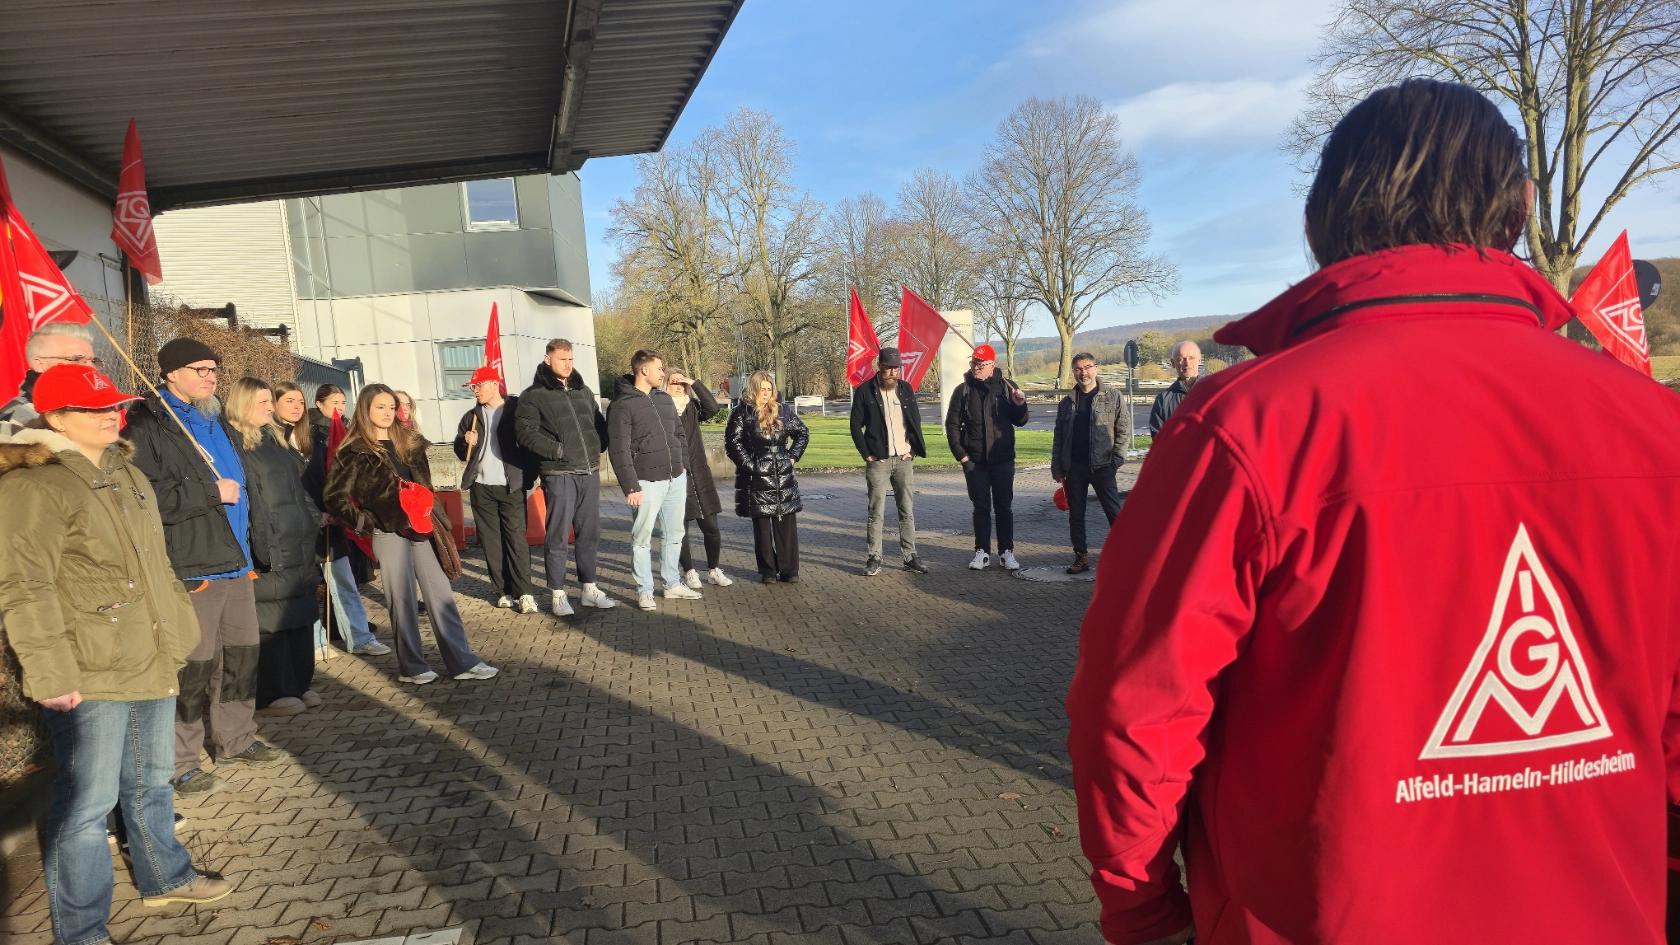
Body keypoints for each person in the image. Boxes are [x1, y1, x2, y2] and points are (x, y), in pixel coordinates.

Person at [1067, 78, 1680, 945]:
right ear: (1518, 211)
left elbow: (1137, 707)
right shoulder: (1659, 430)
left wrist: (1141, 905)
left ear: (1320, 226)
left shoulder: (1245, 427)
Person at [0, 365, 234, 941]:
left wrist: (176, 623)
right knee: (85, 806)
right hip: (90, 667)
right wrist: (49, 671)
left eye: (113, 404)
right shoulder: (34, 486)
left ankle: (164, 876)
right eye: (93, 407)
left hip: (148, 654)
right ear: (55, 418)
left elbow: (154, 562)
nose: (111, 414)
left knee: (153, 780)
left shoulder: (125, 471)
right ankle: (80, 932)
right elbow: (25, 585)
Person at [123, 338, 287, 798]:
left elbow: (245, 484)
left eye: (213, 368)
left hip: (236, 562)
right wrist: (211, 494)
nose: (210, 376)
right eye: (199, 369)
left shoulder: (215, 419)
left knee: (240, 656)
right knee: (193, 667)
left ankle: (236, 739)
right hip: (193, 563)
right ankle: (181, 762)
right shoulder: (148, 422)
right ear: (171, 373)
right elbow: (146, 496)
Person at [323, 384, 497, 685]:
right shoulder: (353, 450)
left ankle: (462, 661)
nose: (388, 412)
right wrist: (366, 522)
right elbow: (334, 497)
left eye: (391, 407)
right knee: (400, 599)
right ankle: (413, 667)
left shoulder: (410, 442)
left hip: (422, 528)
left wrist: (435, 517)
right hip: (387, 531)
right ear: (365, 409)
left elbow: (425, 485)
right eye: (380, 406)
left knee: (440, 594)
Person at [224, 378, 323, 718]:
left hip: (297, 540)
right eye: (263, 401)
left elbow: (298, 490)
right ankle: (273, 691)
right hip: (270, 543)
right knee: (272, 616)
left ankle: (299, 683)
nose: (270, 407)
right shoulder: (237, 444)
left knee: (299, 614)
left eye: (270, 400)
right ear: (243, 404)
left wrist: (311, 519)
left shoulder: (274, 439)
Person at [515, 339, 614, 615]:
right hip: (558, 473)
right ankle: (558, 594)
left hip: (589, 470)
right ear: (548, 359)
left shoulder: (584, 391)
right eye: (562, 359)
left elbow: (598, 423)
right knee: (558, 535)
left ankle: (589, 589)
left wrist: (599, 444)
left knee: (589, 533)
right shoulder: (533, 395)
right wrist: (556, 451)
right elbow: (525, 433)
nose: (568, 364)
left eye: (570, 359)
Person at [607, 350, 697, 611]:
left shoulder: (665, 400)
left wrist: (684, 467)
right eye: (659, 368)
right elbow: (619, 449)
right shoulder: (622, 404)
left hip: (675, 478)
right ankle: (644, 590)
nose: (663, 373)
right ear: (643, 370)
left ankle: (671, 584)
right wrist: (630, 485)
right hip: (645, 482)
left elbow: (679, 434)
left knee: (675, 534)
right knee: (642, 538)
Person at [303, 384, 387, 656]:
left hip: (337, 518)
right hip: (312, 520)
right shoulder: (309, 434)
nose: (340, 407)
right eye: (334, 402)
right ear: (319, 404)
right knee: (307, 586)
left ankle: (358, 636)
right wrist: (318, 512)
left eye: (342, 401)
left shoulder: (345, 430)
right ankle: (316, 641)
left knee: (345, 580)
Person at [453, 366, 540, 613]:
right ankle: (502, 591)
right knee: (491, 542)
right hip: (481, 487)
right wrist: (464, 442)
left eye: (478, 386)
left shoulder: (516, 411)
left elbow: (530, 445)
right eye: (473, 387)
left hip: (511, 485)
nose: (475, 391)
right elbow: (461, 453)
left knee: (516, 540)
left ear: (494, 384)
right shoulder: (471, 416)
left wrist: (529, 478)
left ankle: (525, 594)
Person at [944, 343, 1028, 571]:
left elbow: (1020, 421)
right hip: (975, 462)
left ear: (993, 364)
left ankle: (1006, 552)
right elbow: (951, 425)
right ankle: (981, 552)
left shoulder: (1006, 388)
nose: (976, 367)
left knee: (1004, 507)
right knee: (981, 507)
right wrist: (961, 455)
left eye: (981, 364)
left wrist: (1020, 405)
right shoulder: (963, 390)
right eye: (973, 363)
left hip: (1003, 460)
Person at [849, 347, 929, 577]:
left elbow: (915, 420)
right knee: (876, 512)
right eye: (888, 367)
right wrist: (867, 454)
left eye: (896, 368)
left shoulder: (906, 390)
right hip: (879, 462)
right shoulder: (865, 391)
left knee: (907, 511)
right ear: (879, 366)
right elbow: (855, 426)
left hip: (904, 460)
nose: (892, 372)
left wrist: (913, 450)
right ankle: (874, 557)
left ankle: (910, 556)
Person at [725, 371, 809, 584]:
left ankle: (789, 569)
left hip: (782, 475)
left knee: (785, 523)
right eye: (762, 389)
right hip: (757, 477)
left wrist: (792, 457)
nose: (766, 393)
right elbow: (733, 444)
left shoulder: (784, 410)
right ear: (754, 390)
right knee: (762, 527)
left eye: (769, 389)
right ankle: (768, 570)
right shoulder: (741, 412)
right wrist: (752, 466)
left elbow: (802, 433)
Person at [1051, 352, 1129, 574]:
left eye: (1087, 367)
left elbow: (1123, 430)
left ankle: (1124, 554)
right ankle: (1080, 557)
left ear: (1096, 368)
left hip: (1103, 466)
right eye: (1077, 369)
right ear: (1074, 372)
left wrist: (1116, 460)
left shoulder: (1113, 397)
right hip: (1074, 467)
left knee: (1114, 512)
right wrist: (1057, 466)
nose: (1082, 373)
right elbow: (1059, 436)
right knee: (1076, 515)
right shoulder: (1066, 404)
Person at [667, 369, 733, 589]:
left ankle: (713, 570)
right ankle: (689, 572)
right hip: (675, 475)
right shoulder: (660, 409)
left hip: (699, 475)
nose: (677, 387)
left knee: (712, 528)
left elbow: (713, 407)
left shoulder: (692, 408)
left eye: (681, 383)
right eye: (673, 382)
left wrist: (694, 383)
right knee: (680, 529)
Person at [0, 322, 100, 432]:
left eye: (93, 361)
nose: (91, 368)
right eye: (76, 359)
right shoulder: (18, 419)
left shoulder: (95, 408)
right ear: (40, 365)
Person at [1146, 340, 1202, 435]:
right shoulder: (1163, 400)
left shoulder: (1215, 393)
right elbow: (1159, 439)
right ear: (1172, 363)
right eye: (1181, 359)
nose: (1187, 363)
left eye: (1191, 358)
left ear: (1200, 360)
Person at [273, 381, 311, 456]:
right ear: (275, 403)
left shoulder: (312, 436)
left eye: (301, 402)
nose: (297, 407)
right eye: (290, 401)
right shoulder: (269, 438)